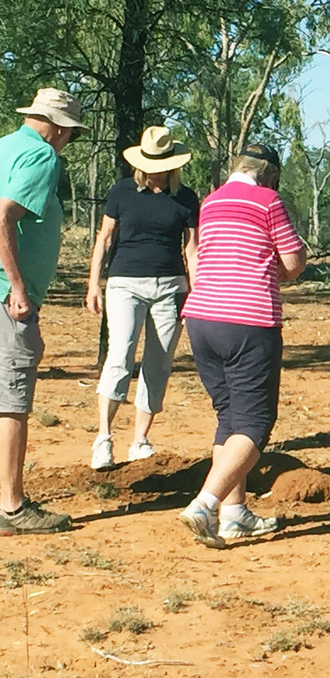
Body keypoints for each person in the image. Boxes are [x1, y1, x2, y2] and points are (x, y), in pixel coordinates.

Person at [177, 144, 305, 547]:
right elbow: (293, 261)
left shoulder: (211, 201)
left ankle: (234, 514)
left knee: (229, 417)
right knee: (255, 424)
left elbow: (201, 252)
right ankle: (206, 504)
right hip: (248, 320)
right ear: (270, 175)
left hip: (201, 317)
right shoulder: (268, 201)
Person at [87, 126, 199, 470]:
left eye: (161, 162)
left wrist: (196, 292)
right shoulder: (122, 191)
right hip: (125, 283)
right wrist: (94, 283)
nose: (155, 168)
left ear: (172, 164)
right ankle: (104, 438)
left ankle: (140, 440)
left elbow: (191, 248)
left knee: (159, 362)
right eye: (150, 161)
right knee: (120, 355)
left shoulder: (186, 198)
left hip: (171, 286)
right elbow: (105, 238)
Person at [0, 88, 86, 534]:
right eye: (69, 132)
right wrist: (17, 288)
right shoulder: (42, 157)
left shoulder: (4, 146)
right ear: (56, 127)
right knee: (12, 400)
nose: (68, 140)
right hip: (6, 297)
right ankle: (12, 506)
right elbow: (3, 216)